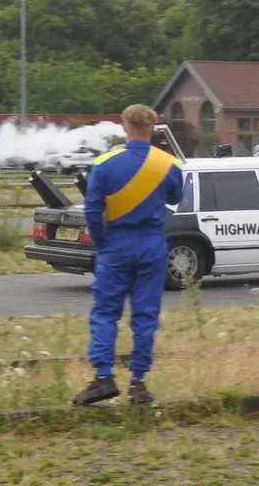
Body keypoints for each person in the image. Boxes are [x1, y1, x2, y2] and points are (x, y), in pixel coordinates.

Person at [75, 104, 186, 407]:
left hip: (116, 244)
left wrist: (102, 242)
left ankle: (103, 377)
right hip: (152, 244)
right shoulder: (169, 163)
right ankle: (138, 383)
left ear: (124, 126)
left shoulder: (104, 163)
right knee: (146, 314)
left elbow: (92, 210)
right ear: (152, 128)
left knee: (106, 312)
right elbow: (176, 198)